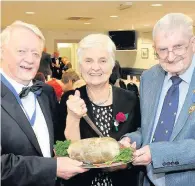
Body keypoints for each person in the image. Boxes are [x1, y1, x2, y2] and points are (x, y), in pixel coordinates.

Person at [0, 20, 87, 186]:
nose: (30, 59)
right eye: (21, 51)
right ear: (2, 52)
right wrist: (52, 168)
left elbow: (57, 144)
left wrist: (73, 118)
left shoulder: (45, 92)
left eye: (36, 53)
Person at [121, 13, 195, 186]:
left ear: (192, 43)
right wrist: (131, 141)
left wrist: (156, 153)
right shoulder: (149, 78)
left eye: (178, 47)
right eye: (162, 49)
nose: (170, 57)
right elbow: (148, 129)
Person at [57, 34, 141, 186]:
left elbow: (139, 139)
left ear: (112, 65)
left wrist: (127, 161)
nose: (95, 67)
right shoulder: (69, 99)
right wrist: (73, 117)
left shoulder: (130, 99)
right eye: (88, 61)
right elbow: (67, 151)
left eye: (103, 61)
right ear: (80, 65)